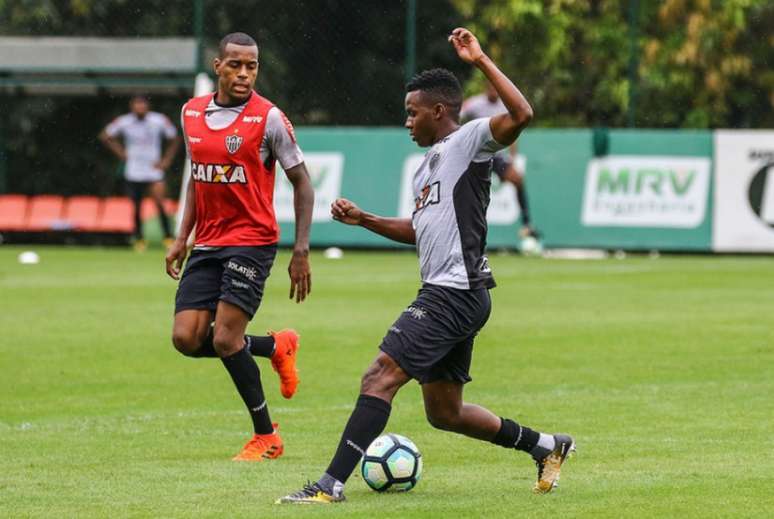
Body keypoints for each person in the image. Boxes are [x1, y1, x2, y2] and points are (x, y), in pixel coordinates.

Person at [277, 28, 573, 504]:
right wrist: (365, 220)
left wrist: (480, 60)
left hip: (451, 293)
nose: (407, 121)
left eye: (412, 113)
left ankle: (330, 485)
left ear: (439, 111)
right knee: (444, 412)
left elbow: (522, 114)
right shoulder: (427, 166)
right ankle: (547, 446)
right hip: (459, 293)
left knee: (379, 376)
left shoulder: (471, 140)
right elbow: (420, 229)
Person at [165, 32, 314, 461]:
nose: (244, 73)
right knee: (187, 339)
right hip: (208, 243)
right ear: (218, 66)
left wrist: (300, 250)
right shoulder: (191, 112)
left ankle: (267, 436)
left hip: (252, 242)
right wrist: (181, 238)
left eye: (252, 66)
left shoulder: (268, 118)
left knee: (226, 340)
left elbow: (302, 185)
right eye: (236, 65)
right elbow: (197, 178)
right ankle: (275, 346)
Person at [99, 95, 180, 251]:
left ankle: (168, 237)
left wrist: (166, 160)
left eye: (142, 104)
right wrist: (120, 153)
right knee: (136, 206)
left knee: (159, 203)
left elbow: (174, 138)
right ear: (132, 106)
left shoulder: (158, 120)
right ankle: (139, 239)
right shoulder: (125, 121)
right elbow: (105, 136)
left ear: (147, 106)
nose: (140, 108)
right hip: (134, 169)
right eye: (137, 105)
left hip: (153, 169)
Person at [461, 80, 538, 239]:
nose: (494, 92)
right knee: (469, 193)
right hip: (476, 156)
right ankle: (464, 226)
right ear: (486, 89)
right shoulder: (475, 104)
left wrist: (513, 156)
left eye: (496, 89)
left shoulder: (504, 106)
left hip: (497, 156)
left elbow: (514, 130)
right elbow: (458, 116)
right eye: (491, 88)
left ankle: (526, 223)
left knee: (517, 179)